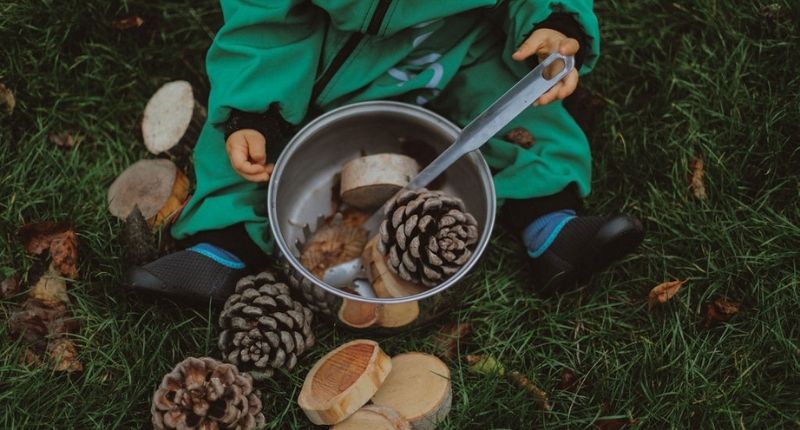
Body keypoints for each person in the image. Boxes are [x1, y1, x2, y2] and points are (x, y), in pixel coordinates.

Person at [127, 0, 644, 302]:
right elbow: (266, 22)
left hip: (458, 48)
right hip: (327, 63)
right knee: (244, 146)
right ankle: (222, 246)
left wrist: (554, 20)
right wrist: (257, 110)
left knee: (524, 103)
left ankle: (550, 224)